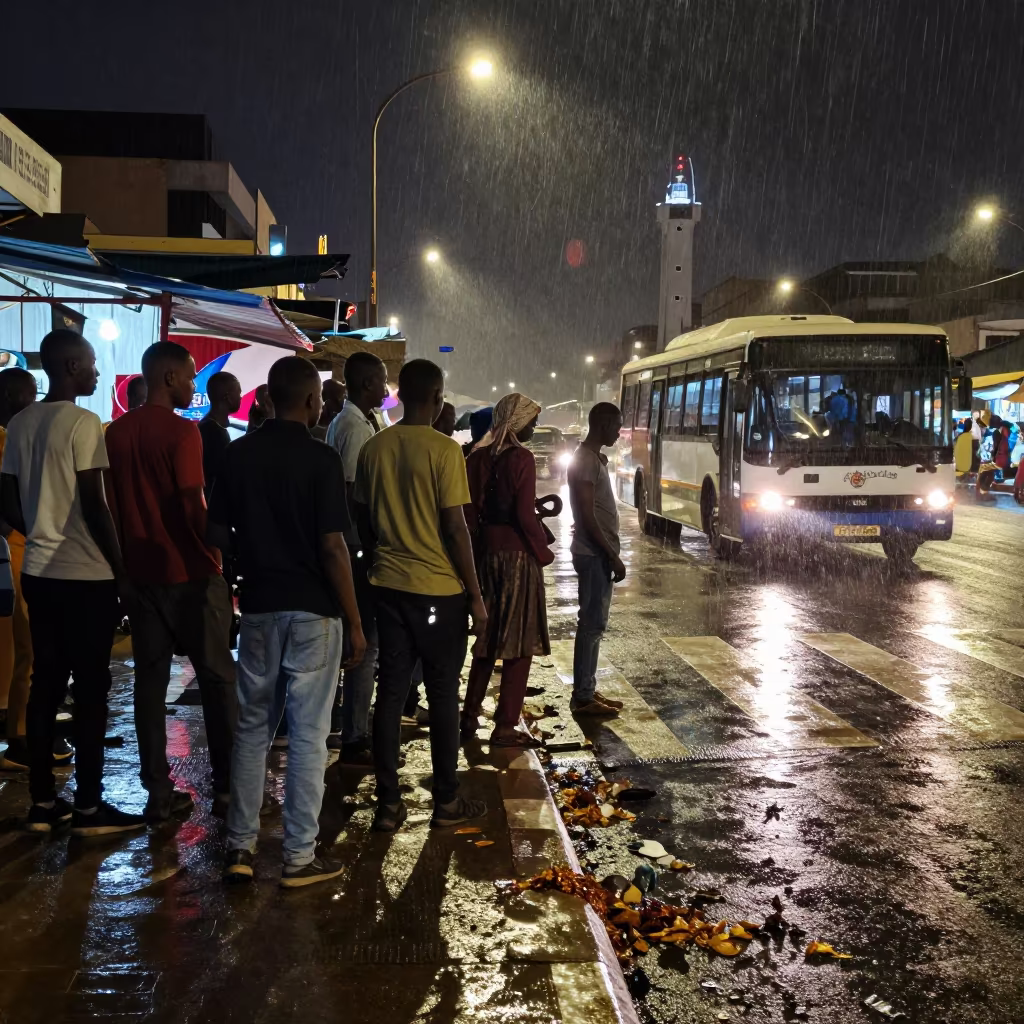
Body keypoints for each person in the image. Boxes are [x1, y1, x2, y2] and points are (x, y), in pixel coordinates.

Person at [209, 355, 365, 887]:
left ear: (269, 397)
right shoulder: (321, 461)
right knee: (308, 737)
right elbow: (333, 548)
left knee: (253, 729)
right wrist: (356, 620)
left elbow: (218, 532)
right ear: (313, 401)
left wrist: (250, 559)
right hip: (313, 613)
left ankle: (239, 849)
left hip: (257, 607)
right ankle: (299, 856)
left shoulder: (236, 456)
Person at [0, 329, 144, 835]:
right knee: (91, 689)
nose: (98, 371)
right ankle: (88, 806)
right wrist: (122, 570)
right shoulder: (84, 424)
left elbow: (6, 499)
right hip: (86, 575)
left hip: (38, 572)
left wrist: (37, 531)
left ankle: (42, 803)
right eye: (90, 364)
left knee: (45, 685)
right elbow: (95, 505)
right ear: (68, 368)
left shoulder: (20, 423)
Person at [104, 342, 238, 823]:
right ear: (167, 378)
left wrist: (122, 570)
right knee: (220, 682)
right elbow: (192, 504)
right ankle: (226, 788)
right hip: (191, 573)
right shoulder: (184, 433)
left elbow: (111, 508)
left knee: (149, 684)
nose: (192, 386)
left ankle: (157, 792)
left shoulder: (115, 433)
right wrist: (219, 553)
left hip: (140, 575)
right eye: (188, 378)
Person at [354, 358, 487, 833]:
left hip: (388, 588)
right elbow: (456, 528)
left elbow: (362, 520)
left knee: (389, 694)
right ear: (436, 397)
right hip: (438, 593)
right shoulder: (445, 451)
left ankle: (389, 804)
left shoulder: (374, 448)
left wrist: (382, 555)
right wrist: (475, 595)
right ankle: (446, 802)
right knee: (443, 693)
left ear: (399, 395)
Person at [460, 393, 554, 747]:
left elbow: (468, 513)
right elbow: (525, 516)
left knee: (486, 639)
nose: (534, 428)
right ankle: (505, 726)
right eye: (531, 421)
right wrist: (542, 552)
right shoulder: (523, 459)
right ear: (516, 424)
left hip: (485, 555)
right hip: (517, 557)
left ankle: (469, 718)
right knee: (519, 641)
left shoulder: (476, 458)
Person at [0, 368, 68, 771]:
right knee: (31, 646)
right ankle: (22, 737)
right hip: (17, 550)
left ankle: (23, 728)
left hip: (21, 547)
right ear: (11, 395)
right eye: (29, 394)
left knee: (28, 648)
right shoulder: (6, 438)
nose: (33, 401)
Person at [324, 352, 388, 765]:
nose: (386, 389)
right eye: (382, 381)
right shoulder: (352, 426)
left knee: (354, 643)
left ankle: (345, 726)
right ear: (367, 384)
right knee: (364, 644)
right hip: (354, 549)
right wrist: (367, 545)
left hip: (352, 547)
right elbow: (351, 494)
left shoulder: (357, 421)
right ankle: (355, 736)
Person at [567, 402, 627, 717]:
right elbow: (587, 515)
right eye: (616, 425)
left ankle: (587, 689)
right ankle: (583, 696)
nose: (619, 432)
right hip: (593, 555)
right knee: (590, 626)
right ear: (603, 425)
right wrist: (612, 556)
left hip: (594, 553)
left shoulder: (591, 458)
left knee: (594, 625)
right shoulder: (586, 461)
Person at [199, 371, 241, 502]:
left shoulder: (208, 426)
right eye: (238, 393)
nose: (241, 397)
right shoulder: (214, 432)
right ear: (227, 397)